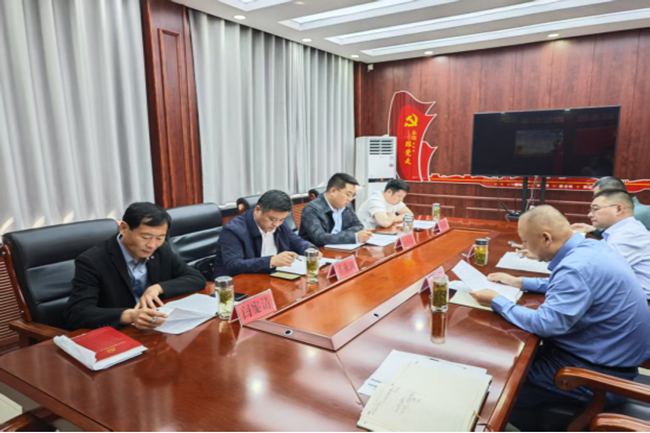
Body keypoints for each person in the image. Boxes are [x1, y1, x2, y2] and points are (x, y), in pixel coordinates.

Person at [470, 205, 650, 431]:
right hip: (611, 357)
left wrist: (497, 301)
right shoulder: (591, 248)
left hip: (597, 375)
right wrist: (521, 282)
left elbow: (545, 324)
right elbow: (567, 283)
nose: (524, 246)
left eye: (525, 241)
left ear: (546, 238)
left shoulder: (576, 267)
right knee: (511, 360)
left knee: (498, 386)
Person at [65, 202, 206, 331]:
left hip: (157, 327)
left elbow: (196, 278)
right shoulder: (93, 260)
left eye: (159, 237)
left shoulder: (161, 250)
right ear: (124, 228)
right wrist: (129, 315)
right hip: (120, 332)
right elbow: (77, 312)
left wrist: (158, 288)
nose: (152, 245)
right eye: (146, 237)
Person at [214, 190, 318, 278]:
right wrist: (271, 261)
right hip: (242, 284)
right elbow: (233, 266)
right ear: (257, 210)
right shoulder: (233, 230)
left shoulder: (280, 223)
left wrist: (311, 249)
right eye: (272, 219)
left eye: (281, 219)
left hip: (274, 276)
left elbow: (296, 241)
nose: (276, 224)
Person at [577, 189, 650, 298]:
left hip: (642, 303)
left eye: (595, 209)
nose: (589, 214)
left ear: (618, 209)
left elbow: (594, 270)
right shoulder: (619, 231)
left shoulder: (629, 234)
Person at [299, 173, 373, 247]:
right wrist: (354, 237)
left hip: (342, 248)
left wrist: (337, 237)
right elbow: (320, 238)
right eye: (348, 194)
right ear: (333, 191)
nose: (350, 199)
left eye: (353, 195)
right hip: (317, 251)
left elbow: (359, 226)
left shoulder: (346, 204)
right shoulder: (311, 210)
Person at [572, 176, 650, 235]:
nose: (595, 199)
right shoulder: (639, 209)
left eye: (598, 195)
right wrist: (593, 229)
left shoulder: (632, 215)